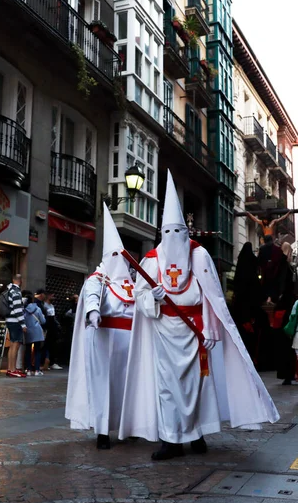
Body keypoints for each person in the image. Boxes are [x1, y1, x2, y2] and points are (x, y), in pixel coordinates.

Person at [119, 170, 279, 460]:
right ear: (161, 234)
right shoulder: (152, 260)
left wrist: (211, 331)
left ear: (186, 232)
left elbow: (212, 295)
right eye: (167, 233)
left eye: (178, 232)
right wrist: (149, 298)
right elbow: (138, 295)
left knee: (199, 386)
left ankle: (198, 433)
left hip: (195, 332)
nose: (173, 238)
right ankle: (172, 438)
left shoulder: (200, 256)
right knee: (168, 388)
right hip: (163, 332)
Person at [66, 203, 135, 449]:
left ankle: (130, 426)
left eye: (122, 256)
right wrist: (93, 311)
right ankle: (103, 431)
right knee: (104, 385)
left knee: (128, 385)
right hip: (105, 339)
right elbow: (92, 295)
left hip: (130, 341)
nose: (120, 261)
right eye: (114, 256)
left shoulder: (132, 282)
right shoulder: (99, 278)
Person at [232, 242, 263, 365]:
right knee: (252, 339)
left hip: (240, 313)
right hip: (252, 313)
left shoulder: (239, 272)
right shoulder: (253, 275)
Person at [275, 242, 296, 385]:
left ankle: (287, 374)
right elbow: (283, 284)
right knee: (287, 342)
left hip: (283, 307)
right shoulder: (284, 265)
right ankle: (288, 373)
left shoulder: (283, 264)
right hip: (286, 308)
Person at [5, 274, 27, 378]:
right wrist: (23, 324)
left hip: (10, 320)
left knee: (12, 345)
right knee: (15, 345)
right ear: (20, 280)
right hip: (15, 321)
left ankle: (10, 368)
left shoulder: (10, 290)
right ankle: (13, 369)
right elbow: (18, 309)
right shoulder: (16, 292)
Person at [23, 290, 46, 376]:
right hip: (37, 331)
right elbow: (43, 321)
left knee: (28, 350)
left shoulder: (24, 310)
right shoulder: (38, 309)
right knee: (37, 351)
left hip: (28, 331)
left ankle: (28, 369)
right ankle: (37, 370)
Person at [258, 235, 285, 303]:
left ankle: (267, 299)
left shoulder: (262, 249)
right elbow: (282, 260)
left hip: (265, 273)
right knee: (273, 287)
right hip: (275, 273)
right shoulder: (277, 249)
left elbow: (259, 261)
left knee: (266, 286)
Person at [44, 292, 63, 370]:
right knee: (47, 345)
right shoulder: (44, 305)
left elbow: (53, 317)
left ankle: (52, 362)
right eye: (52, 295)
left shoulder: (52, 306)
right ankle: (47, 362)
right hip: (48, 327)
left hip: (53, 328)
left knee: (53, 345)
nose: (53, 297)